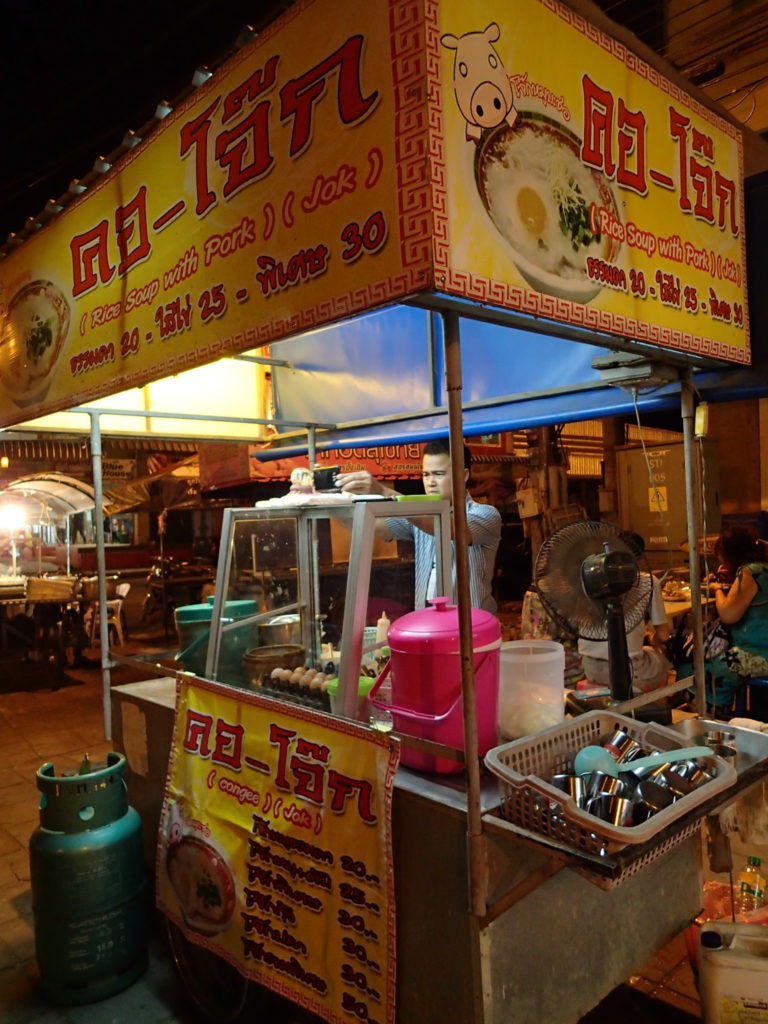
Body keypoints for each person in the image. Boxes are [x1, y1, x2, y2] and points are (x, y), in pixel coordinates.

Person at [336, 439, 501, 612]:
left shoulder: (486, 515)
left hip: (473, 627)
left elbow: (448, 527)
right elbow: (370, 525)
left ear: (464, 475)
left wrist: (383, 492)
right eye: (426, 474)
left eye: (438, 474)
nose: (430, 482)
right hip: (427, 622)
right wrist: (334, 501)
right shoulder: (419, 518)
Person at [578, 532, 672, 693]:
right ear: (640, 559)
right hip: (626, 668)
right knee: (662, 662)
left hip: (589, 667)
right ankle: (651, 710)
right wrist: (654, 640)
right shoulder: (648, 581)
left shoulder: (591, 578)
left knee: (646, 652)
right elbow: (663, 636)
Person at [688, 525, 768, 709]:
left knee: (705, 665)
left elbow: (728, 615)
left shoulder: (750, 571)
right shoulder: (762, 567)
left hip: (760, 652)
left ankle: (711, 712)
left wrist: (717, 590)